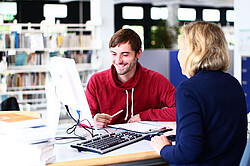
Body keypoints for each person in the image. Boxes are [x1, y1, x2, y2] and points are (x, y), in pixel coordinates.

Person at [150, 21, 248, 165]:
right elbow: (220, 128)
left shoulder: (188, 90)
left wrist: (163, 148)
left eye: (181, 49)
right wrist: (185, 129)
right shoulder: (233, 83)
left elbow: (187, 152)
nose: (179, 55)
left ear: (193, 52)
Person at [85, 29, 176, 128]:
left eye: (125, 55)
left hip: (146, 141)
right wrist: (93, 121)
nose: (118, 61)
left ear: (138, 53)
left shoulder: (156, 80)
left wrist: (146, 115)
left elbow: (182, 110)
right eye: (114, 54)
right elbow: (82, 119)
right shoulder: (96, 81)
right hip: (109, 140)